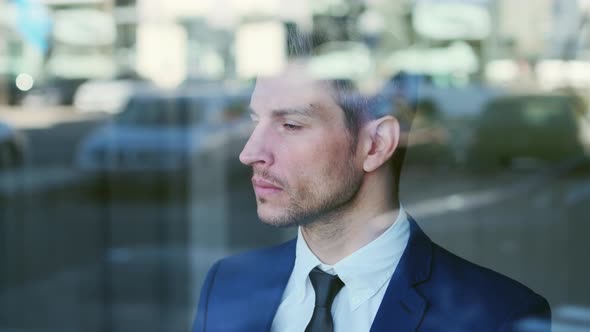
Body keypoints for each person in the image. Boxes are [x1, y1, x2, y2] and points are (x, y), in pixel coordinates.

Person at [192, 51, 550, 332]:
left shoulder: (497, 316)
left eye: (290, 125)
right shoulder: (227, 284)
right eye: (255, 121)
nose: (250, 153)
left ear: (376, 144)